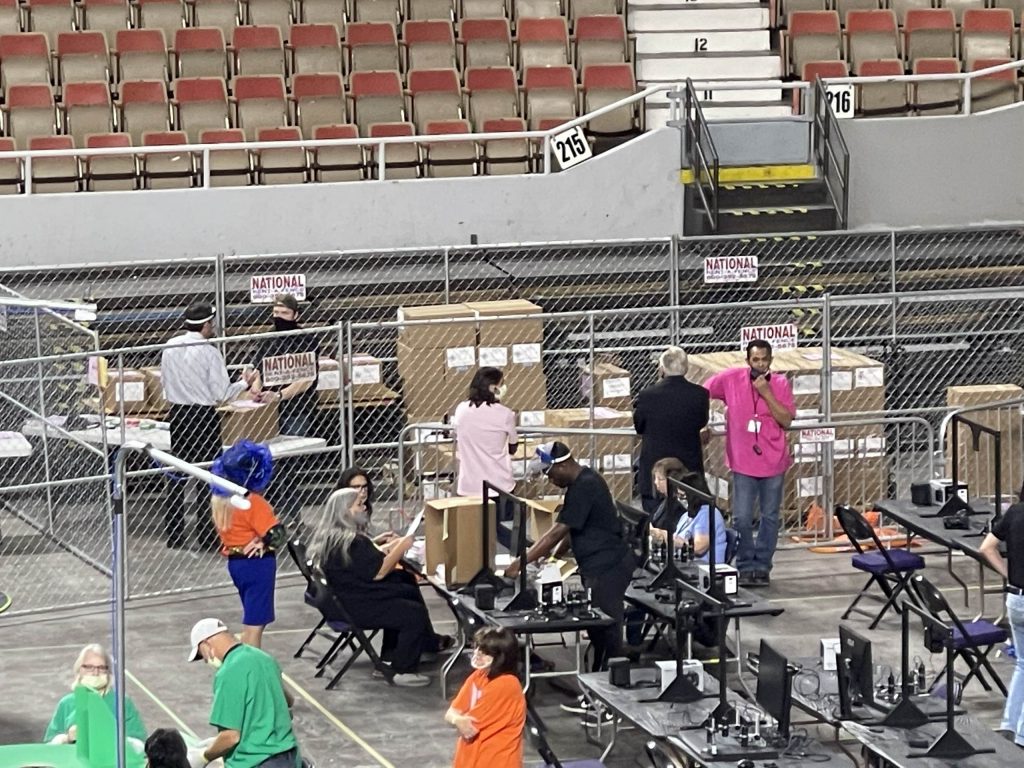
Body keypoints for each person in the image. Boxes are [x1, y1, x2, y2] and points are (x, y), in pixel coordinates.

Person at [505, 442, 635, 673]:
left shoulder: (586, 485)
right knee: (597, 627)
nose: (549, 480)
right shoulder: (579, 485)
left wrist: (520, 563)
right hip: (594, 565)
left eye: (549, 473)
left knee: (607, 626)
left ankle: (613, 675)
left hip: (608, 566)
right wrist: (554, 556)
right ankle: (601, 669)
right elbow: (573, 526)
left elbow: (556, 532)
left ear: (562, 466)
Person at [310, 488, 451, 687]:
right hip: (357, 605)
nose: (364, 508)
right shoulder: (351, 542)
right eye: (359, 505)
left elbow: (360, 560)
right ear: (345, 512)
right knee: (413, 613)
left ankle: (398, 652)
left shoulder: (334, 537)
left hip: (347, 599)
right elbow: (378, 572)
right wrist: (402, 546)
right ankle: (402, 669)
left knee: (405, 583)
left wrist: (379, 545)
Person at [161, 301, 255, 550]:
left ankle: (175, 534)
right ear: (205, 324)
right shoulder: (209, 352)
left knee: (178, 472)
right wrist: (243, 383)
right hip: (202, 416)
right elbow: (221, 394)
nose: (213, 327)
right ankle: (206, 534)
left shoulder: (169, 347)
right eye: (211, 323)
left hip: (178, 414)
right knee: (208, 475)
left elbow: (165, 384)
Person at [705, 339, 794, 588]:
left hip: (773, 461)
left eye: (764, 360)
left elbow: (786, 420)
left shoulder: (780, 383)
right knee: (742, 518)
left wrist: (766, 393)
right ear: (748, 360)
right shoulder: (731, 378)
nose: (760, 364)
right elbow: (701, 392)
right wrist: (702, 423)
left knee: (770, 517)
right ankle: (745, 565)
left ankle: (762, 565)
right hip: (743, 462)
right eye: (756, 360)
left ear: (771, 360)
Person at [188, 618, 300, 768]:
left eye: (202, 655)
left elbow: (231, 737)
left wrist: (205, 756)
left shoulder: (228, 673)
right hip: (289, 757)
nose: (205, 660)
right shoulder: (264, 658)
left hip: (256, 762)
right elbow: (288, 700)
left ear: (206, 644)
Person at [251, 294, 320, 532]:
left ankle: (291, 514)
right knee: (267, 462)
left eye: (284, 313)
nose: (279, 317)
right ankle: (269, 515)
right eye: (276, 313)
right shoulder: (268, 338)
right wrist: (256, 388)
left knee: (288, 463)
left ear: (295, 315)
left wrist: (280, 395)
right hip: (269, 413)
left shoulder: (307, 340)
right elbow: (258, 370)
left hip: (296, 409)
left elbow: (306, 379)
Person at [211, 440, 286, 649]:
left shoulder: (220, 502)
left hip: (237, 564)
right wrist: (264, 542)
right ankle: (251, 661)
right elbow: (278, 535)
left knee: (252, 617)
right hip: (257, 564)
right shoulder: (252, 502)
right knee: (255, 624)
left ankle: (247, 656)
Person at [633, 346, 710, 514]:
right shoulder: (700, 395)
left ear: (662, 368)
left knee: (656, 518)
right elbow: (701, 422)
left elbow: (639, 426)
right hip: (688, 470)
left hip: (655, 469)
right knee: (689, 516)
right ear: (686, 368)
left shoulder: (647, 395)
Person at [445, 627, 525, 768]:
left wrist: (458, 719)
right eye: (477, 647)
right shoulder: (479, 676)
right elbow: (451, 713)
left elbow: (470, 727)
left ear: (501, 657)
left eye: (486, 652)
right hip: (470, 758)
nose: (477, 654)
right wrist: (457, 719)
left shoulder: (506, 685)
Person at [979, 502, 1024, 747]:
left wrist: (1010, 575)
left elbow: (986, 548)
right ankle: (1022, 735)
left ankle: (1009, 724)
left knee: (1022, 665)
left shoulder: (1015, 512)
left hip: (1015, 599)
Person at [44, 643, 147, 744]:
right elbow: (49, 746)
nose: (95, 673)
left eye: (101, 668)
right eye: (89, 667)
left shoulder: (121, 703)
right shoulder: (66, 703)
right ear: (79, 669)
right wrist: (66, 738)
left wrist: (109, 737)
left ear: (108, 672)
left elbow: (138, 743)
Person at [451, 367, 518, 498]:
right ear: (493, 387)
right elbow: (513, 446)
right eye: (501, 383)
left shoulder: (461, 410)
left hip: (469, 485)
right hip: (499, 484)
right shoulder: (505, 414)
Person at [648, 461, 727, 564]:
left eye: (682, 496)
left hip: (701, 567)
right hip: (684, 564)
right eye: (678, 495)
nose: (679, 499)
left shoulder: (707, 514)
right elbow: (677, 541)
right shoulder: (686, 516)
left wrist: (666, 536)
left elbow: (699, 547)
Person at [339, 466, 395, 546]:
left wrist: (376, 541)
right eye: (356, 487)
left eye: (365, 486)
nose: (363, 491)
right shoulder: (341, 517)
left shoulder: (365, 509)